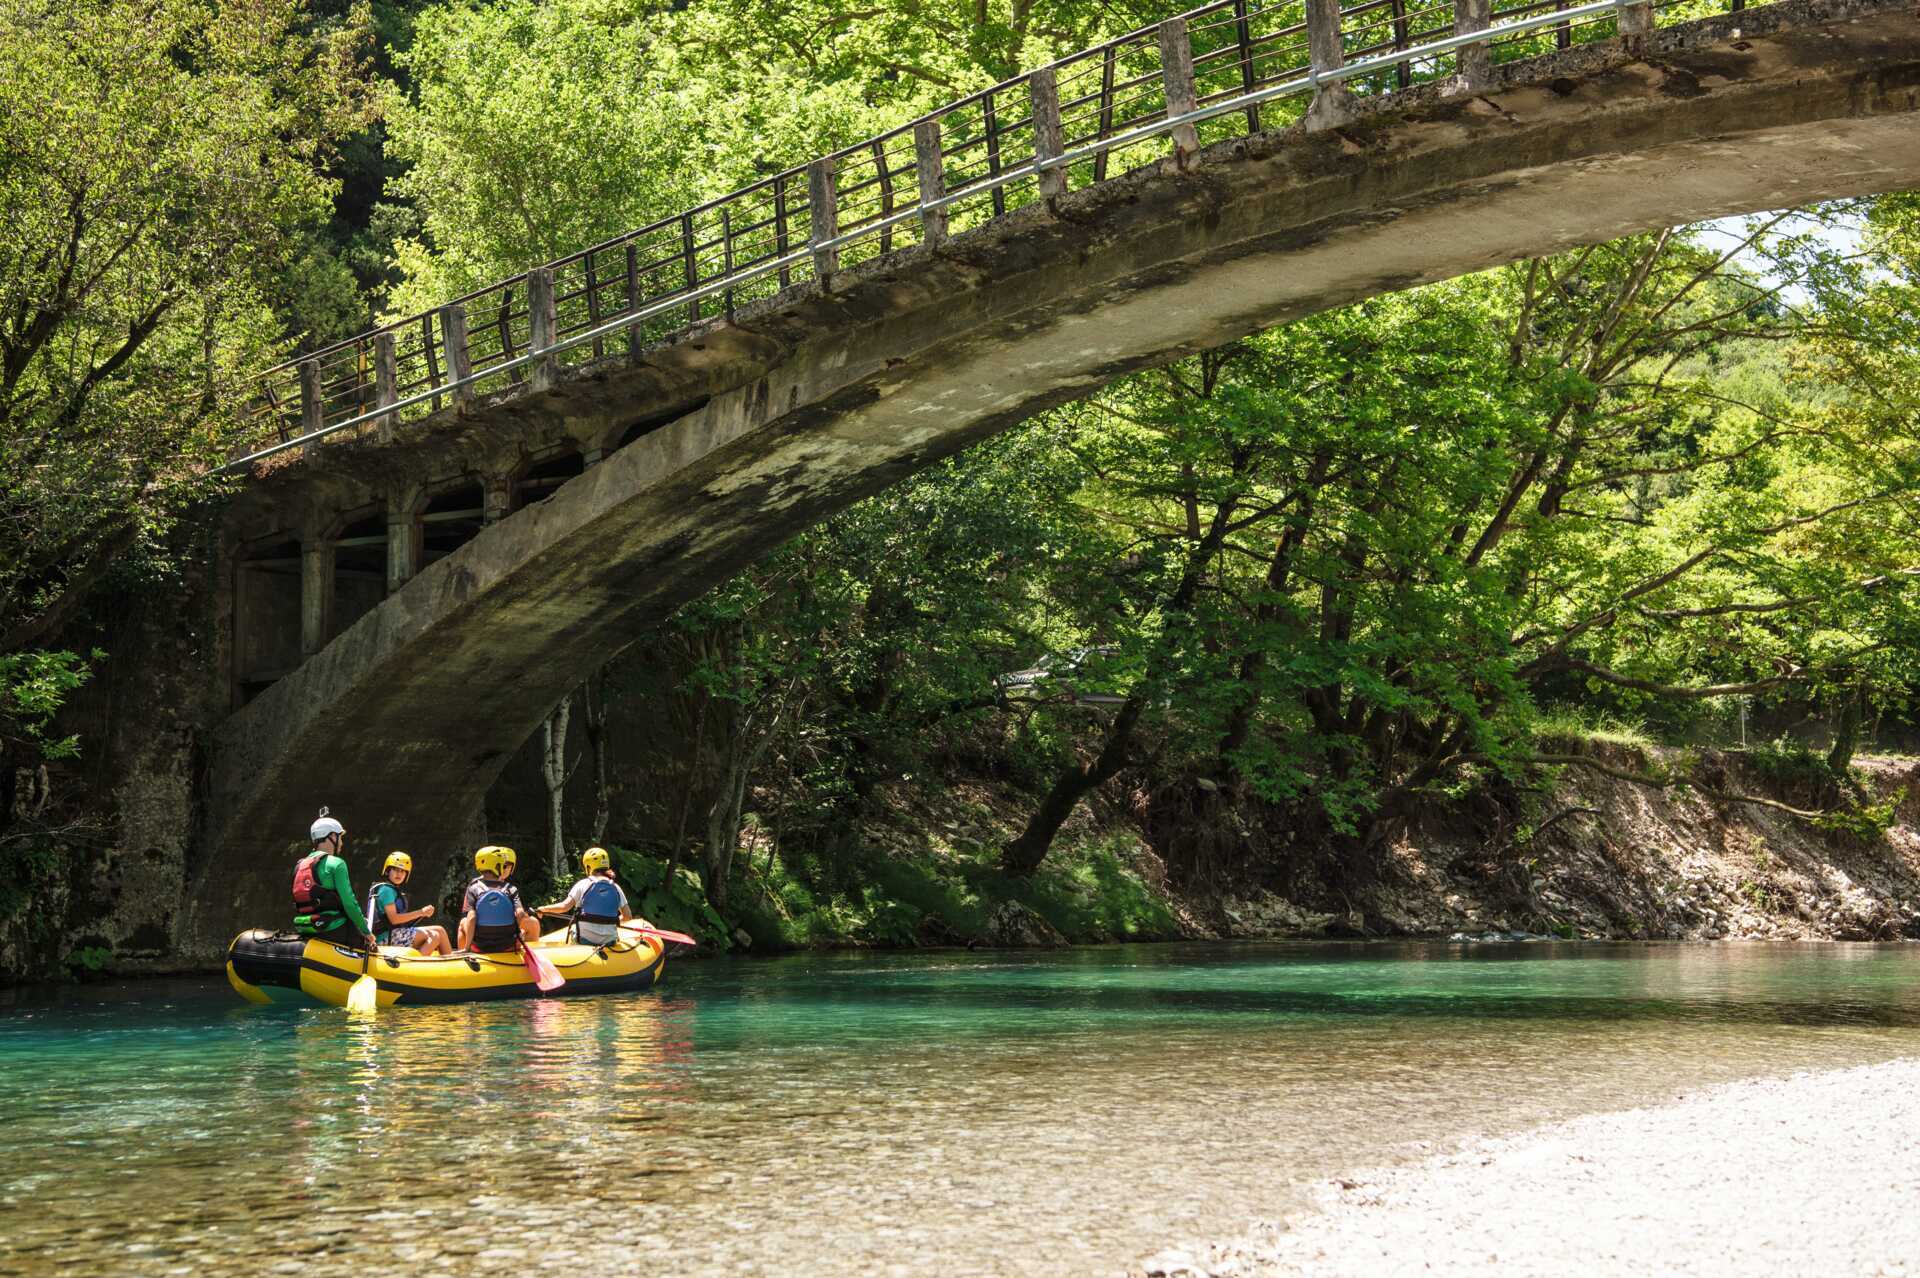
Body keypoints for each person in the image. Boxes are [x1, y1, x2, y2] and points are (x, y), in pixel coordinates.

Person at [291, 807, 377, 952]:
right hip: (333, 928)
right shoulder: (337, 864)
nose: (342, 843)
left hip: (305, 927)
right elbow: (350, 903)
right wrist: (366, 932)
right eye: (340, 837)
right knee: (371, 949)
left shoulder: (299, 865)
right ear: (331, 836)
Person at [536, 847, 643, 947]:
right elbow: (628, 916)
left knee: (573, 928)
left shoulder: (582, 884)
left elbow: (564, 907)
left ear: (588, 867)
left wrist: (544, 909)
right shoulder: (615, 887)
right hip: (609, 941)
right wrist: (613, 920)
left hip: (584, 939)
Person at [365, 851, 453, 957]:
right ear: (388, 871)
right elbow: (394, 919)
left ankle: (449, 963)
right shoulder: (386, 890)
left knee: (440, 930)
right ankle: (415, 966)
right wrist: (421, 912)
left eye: (403, 871)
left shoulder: (391, 890)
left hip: (394, 933)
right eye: (395, 870)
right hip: (384, 937)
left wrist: (422, 913)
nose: (399, 874)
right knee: (435, 936)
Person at [457, 845, 541, 952]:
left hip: (480, 946)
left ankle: (464, 953)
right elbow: (520, 914)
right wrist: (518, 933)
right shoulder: (511, 889)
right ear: (498, 865)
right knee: (531, 923)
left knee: (463, 922)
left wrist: (468, 947)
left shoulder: (473, 887)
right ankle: (523, 953)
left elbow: (472, 917)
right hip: (508, 945)